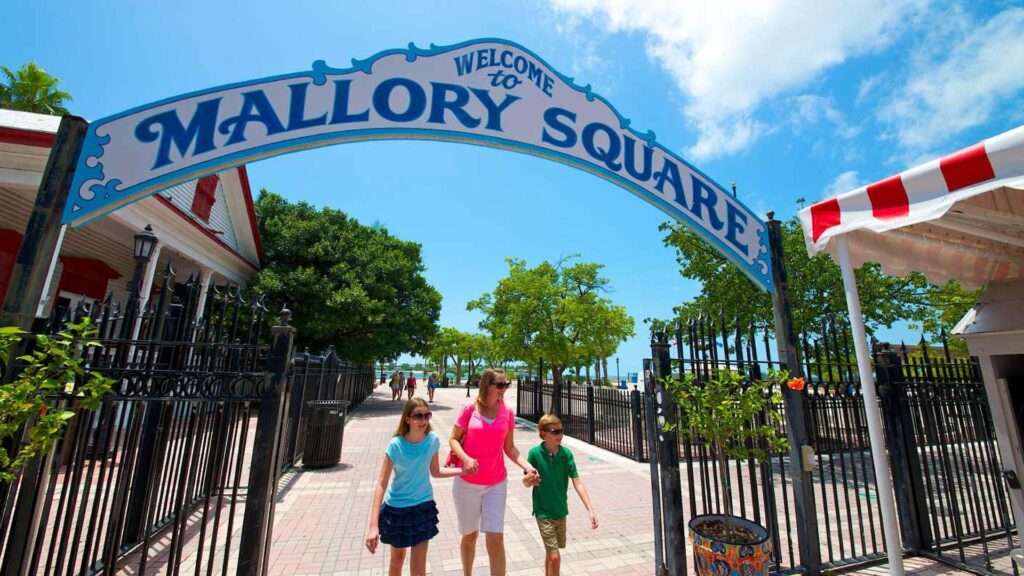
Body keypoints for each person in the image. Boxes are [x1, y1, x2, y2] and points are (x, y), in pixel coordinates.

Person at [449, 368, 539, 576]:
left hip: (496, 483)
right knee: (470, 536)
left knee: (496, 539)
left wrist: (527, 466)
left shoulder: (507, 412)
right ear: (486, 385)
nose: (504, 389)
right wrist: (466, 459)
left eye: (506, 385)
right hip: (467, 484)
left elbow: (509, 448)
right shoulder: (469, 408)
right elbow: (453, 438)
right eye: (500, 385)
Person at [365, 398, 463, 576]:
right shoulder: (396, 445)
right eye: (418, 416)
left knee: (419, 569)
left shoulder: (432, 441)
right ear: (407, 419)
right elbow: (381, 483)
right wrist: (373, 525)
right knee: (397, 560)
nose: (423, 421)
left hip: (422, 507)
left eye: (427, 415)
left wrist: (462, 471)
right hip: (397, 510)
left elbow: (435, 471)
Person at [523, 414, 598, 576]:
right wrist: (529, 480)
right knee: (555, 557)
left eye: (561, 431)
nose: (560, 435)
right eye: (554, 431)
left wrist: (590, 509)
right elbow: (526, 482)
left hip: (560, 511)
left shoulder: (566, 455)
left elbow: (577, 482)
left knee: (551, 552)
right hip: (543, 512)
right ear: (543, 433)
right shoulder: (534, 454)